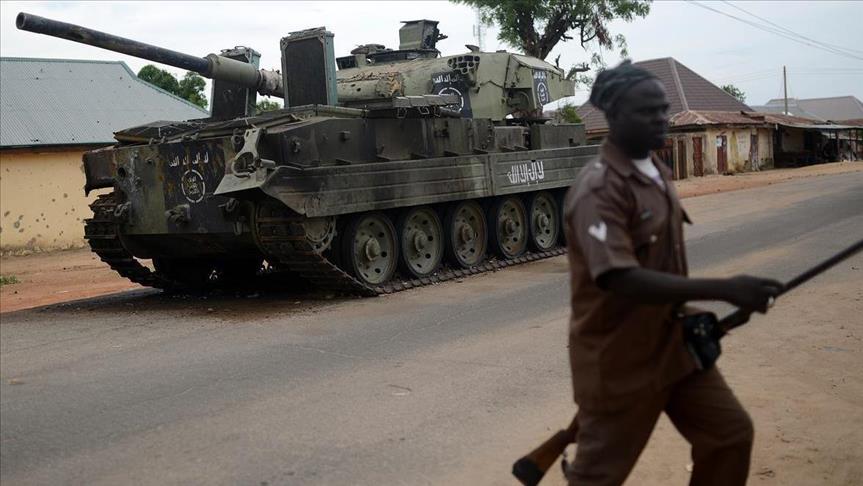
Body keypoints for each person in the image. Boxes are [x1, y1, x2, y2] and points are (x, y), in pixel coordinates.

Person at [562, 61, 783, 486]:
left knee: (729, 436)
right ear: (614, 116)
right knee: (597, 477)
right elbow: (621, 279)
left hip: (674, 346)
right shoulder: (599, 189)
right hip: (621, 360)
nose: (662, 118)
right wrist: (727, 289)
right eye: (647, 111)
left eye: (663, 109)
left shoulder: (655, 170)